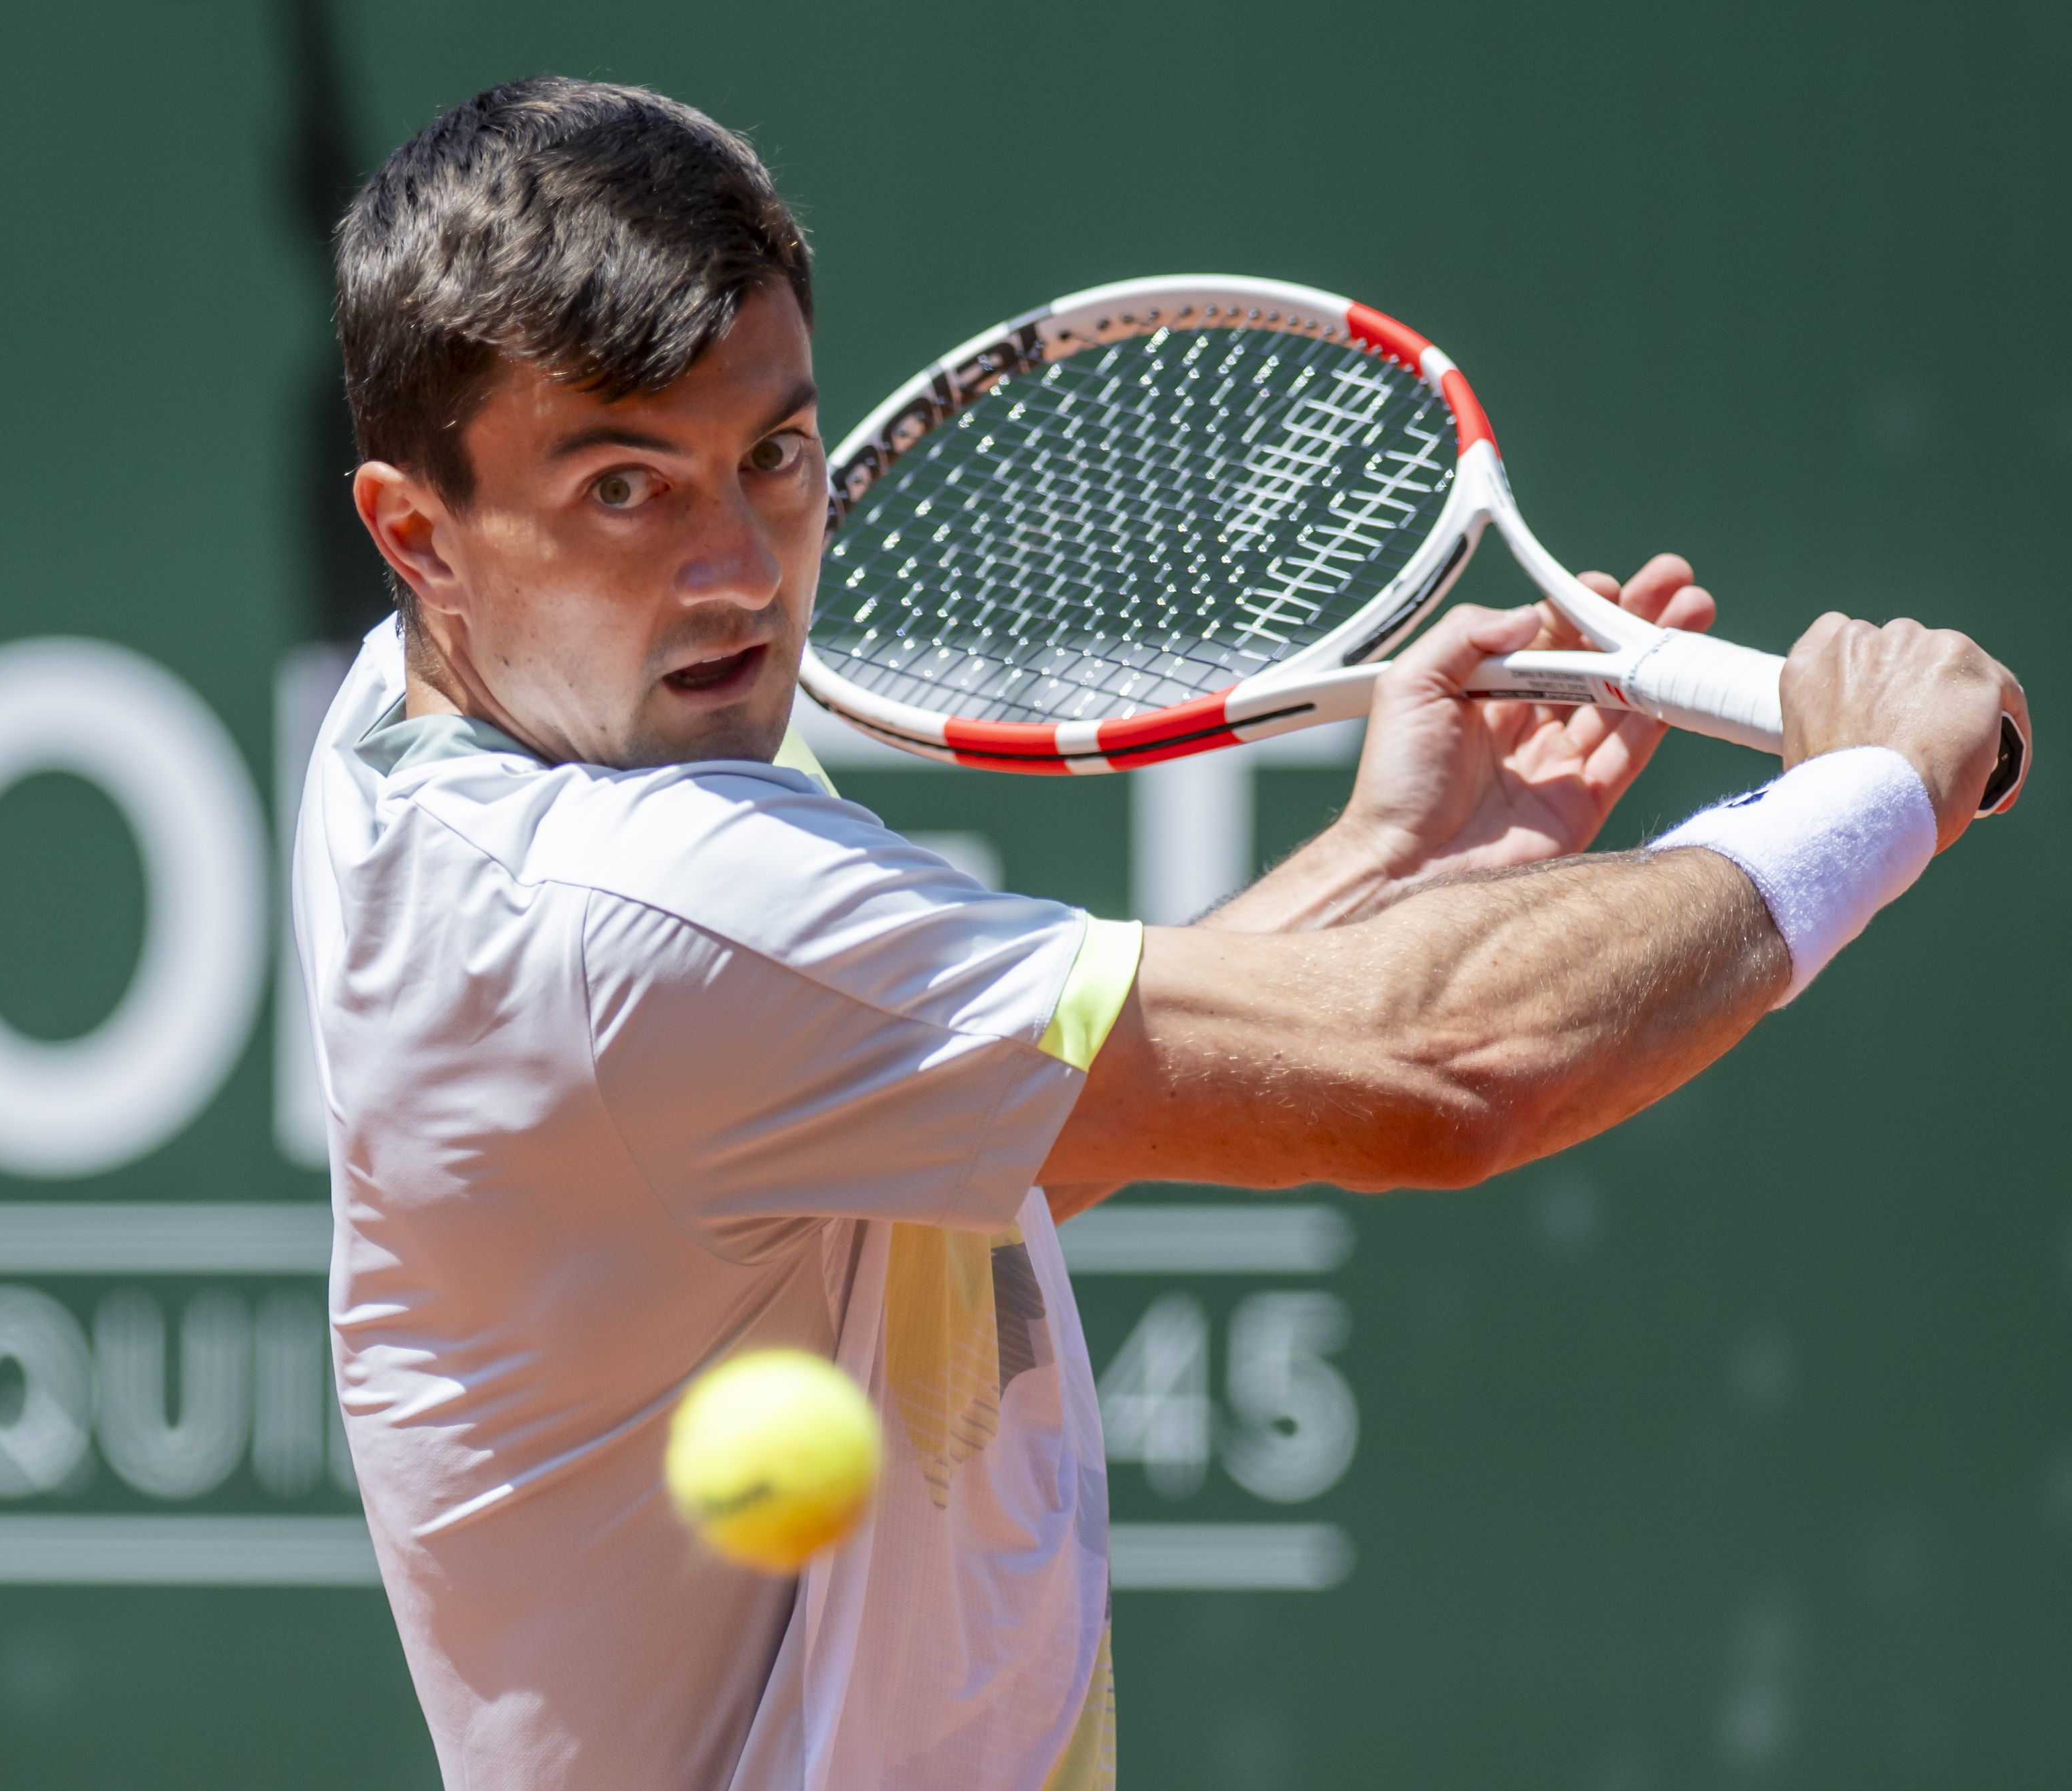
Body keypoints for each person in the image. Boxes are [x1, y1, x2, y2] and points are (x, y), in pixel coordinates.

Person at [291, 76, 2026, 1791]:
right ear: (414, 532)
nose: (741, 564)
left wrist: (1394, 863)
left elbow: (963, 1133)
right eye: (624, 489)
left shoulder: (435, 726)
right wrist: (1870, 793)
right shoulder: (634, 914)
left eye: (778, 452)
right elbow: (1442, 1076)